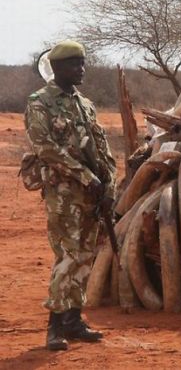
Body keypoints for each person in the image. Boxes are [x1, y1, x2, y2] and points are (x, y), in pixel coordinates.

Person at [24, 40, 116, 351]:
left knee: (86, 257)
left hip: (92, 194)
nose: (82, 69)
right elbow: (45, 148)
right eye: (75, 64)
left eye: (83, 63)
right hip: (63, 194)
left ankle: (75, 321)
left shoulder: (85, 104)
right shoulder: (40, 103)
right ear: (58, 68)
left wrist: (110, 185)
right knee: (67, 257)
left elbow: (102, 150)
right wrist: (84, 176)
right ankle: (55, 326)